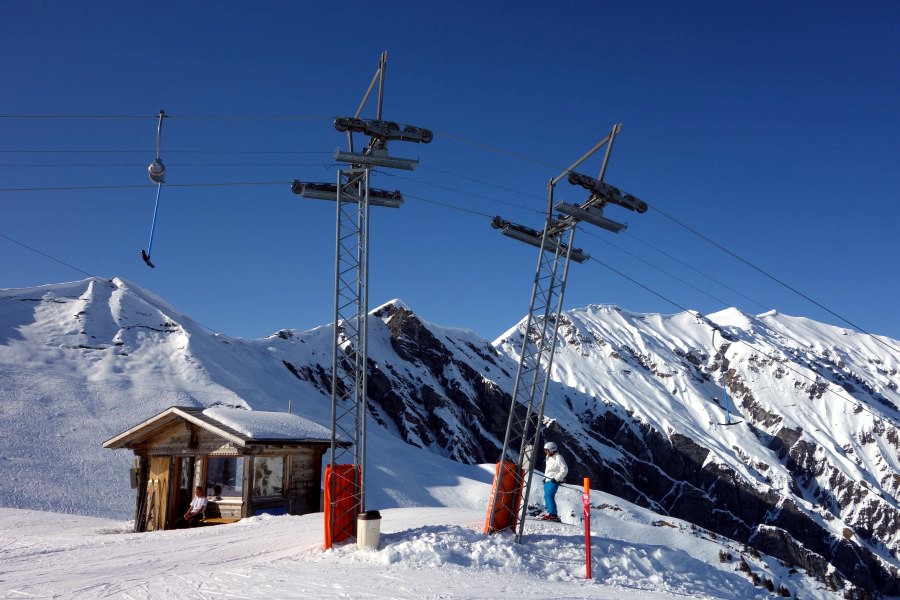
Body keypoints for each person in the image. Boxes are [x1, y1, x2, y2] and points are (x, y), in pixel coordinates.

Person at [541, 441, 568, 522]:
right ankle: (550, 512)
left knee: (549, 496)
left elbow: (564, 469)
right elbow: (548, 469)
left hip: (554, 480)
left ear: (552, 449)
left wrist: (557, 478)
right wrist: (544, 478)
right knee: (546, 496)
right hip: (547, 479)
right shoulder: (548, 457)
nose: (546, 452)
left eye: (547, 450)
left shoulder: (558, 457)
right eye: (545, 450)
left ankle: (553, 514)